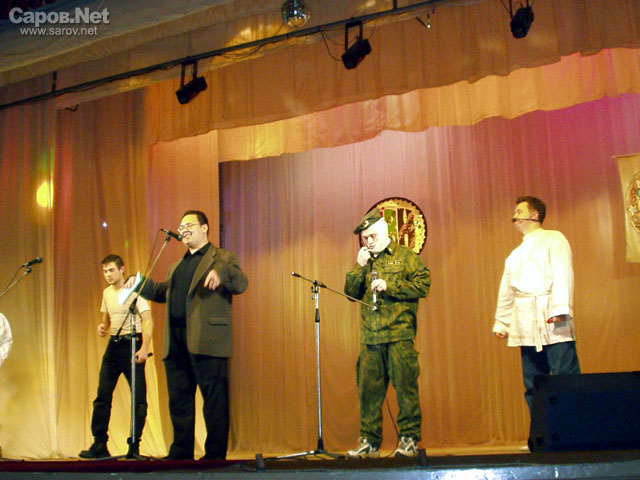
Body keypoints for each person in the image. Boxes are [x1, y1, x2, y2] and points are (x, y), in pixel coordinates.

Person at [133, 210, 248, 460]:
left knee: (214, 402)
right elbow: (163, 293)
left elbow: (241, 283)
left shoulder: (222, 258)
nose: (183, 230)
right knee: (180, 401)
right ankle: (181, 452)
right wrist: (139, 284)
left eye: (189, 225)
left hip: (208, 342)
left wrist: (221, 273)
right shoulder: (177, 266)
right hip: (176, 343)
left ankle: (214, 456)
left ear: (204, 228)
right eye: (181, 227)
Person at [344, 208, 431, 458]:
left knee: (406, 390)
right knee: (368, 393)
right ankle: (369, 442)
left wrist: (389, 286)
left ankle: (409, 440)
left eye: (372, 236)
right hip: (371, 337)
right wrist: (358, 267)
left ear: (384, 233)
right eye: (365, 238)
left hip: (399, 335)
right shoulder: (365, 261)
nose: (369, 242)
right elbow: (351, 293)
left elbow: (423, 285)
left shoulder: (405, 257)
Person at [493, 196, 581, 415]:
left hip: (554, 315)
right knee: (534, 382)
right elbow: (507, 289)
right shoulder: (515, 255)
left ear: (535, 215)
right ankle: (542, 430)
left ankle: (572, 428)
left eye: (519, 211)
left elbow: (562, 272)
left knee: (564, 377)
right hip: (526, 321)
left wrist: (561, 309)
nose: (514, 215)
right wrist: (502, 321)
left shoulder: (554, 239)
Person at [79, 254, 153, 459]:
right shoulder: (107, 293)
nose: (108, 275)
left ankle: (134, 446)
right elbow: (107, 319)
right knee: (102, 395)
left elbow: (147, 320)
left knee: (138, 398)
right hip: (114, 345)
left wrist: (144, 347)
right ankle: (99, 443)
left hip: (132, 343)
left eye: (111, 270)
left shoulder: (135, 289)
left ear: (122, 269)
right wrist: (103, 327)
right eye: (105, 271)